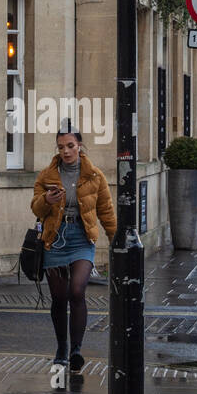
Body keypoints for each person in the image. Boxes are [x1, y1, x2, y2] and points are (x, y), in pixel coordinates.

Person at [31, 125, 116, 373]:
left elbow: (106, 212)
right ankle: (61, 348)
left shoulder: (94, 176)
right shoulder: (47, 176)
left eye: (70, 145)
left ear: (79, 145)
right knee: (59, 297)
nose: (66, 151)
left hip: (82, 237)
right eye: (61, 147)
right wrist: (47, 201)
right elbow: (36, 209)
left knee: (77, 291)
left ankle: (77, 350)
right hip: (55, 238)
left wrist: (115, 240)